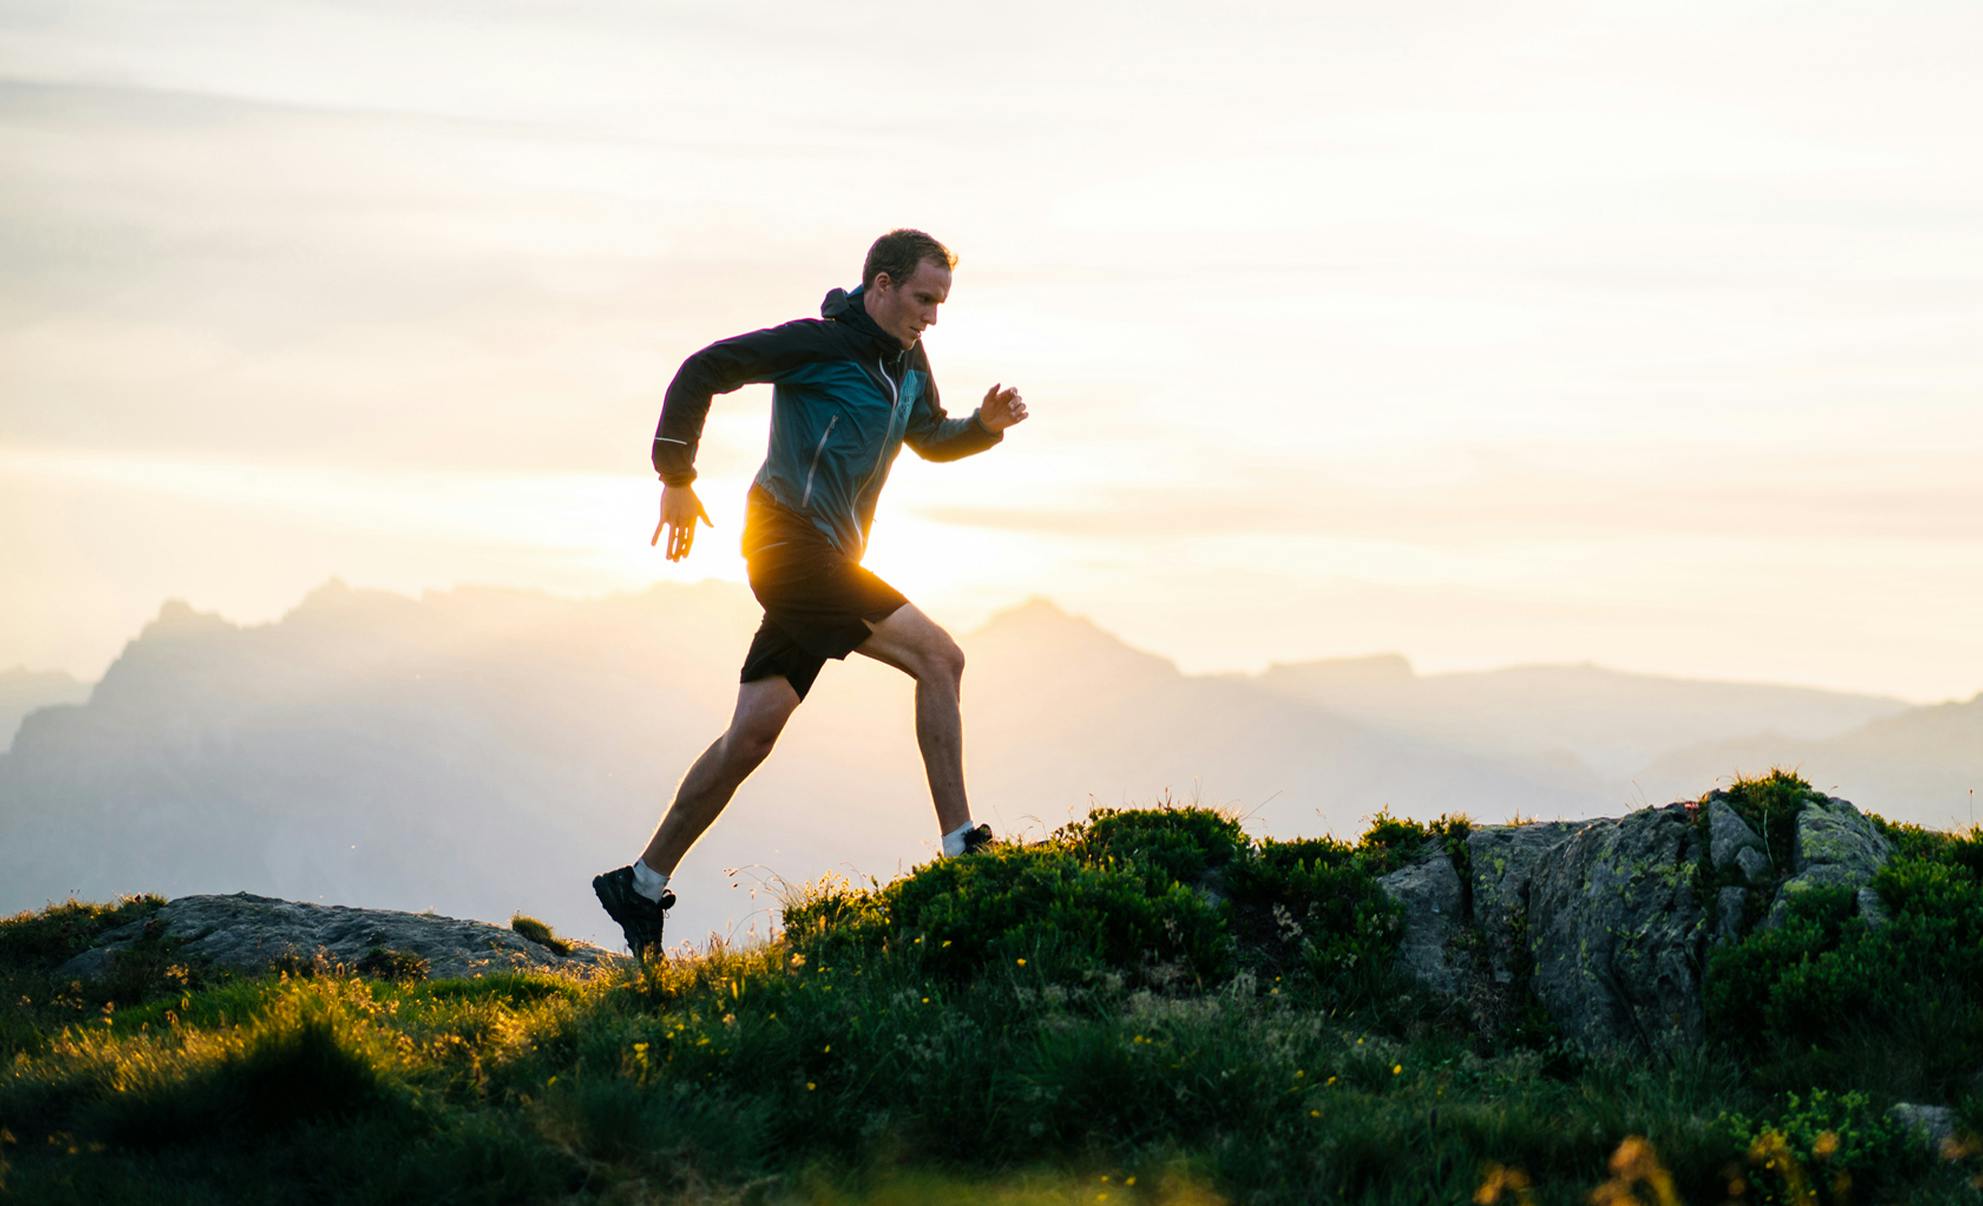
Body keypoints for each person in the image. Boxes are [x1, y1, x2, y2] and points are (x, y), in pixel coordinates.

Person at [593, 229, 1030, 961]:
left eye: (940, 303)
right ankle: (963, 847)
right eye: (923, 299)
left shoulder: (907, 363)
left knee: (752, 734)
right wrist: (676, 476)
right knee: (939, 658)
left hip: (830, 555)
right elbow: (705, 368)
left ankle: (639, 882)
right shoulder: (817, 344)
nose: (932, 316)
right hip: (788, 546)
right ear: (881, 285)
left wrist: (981, 429)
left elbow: (927, 436)